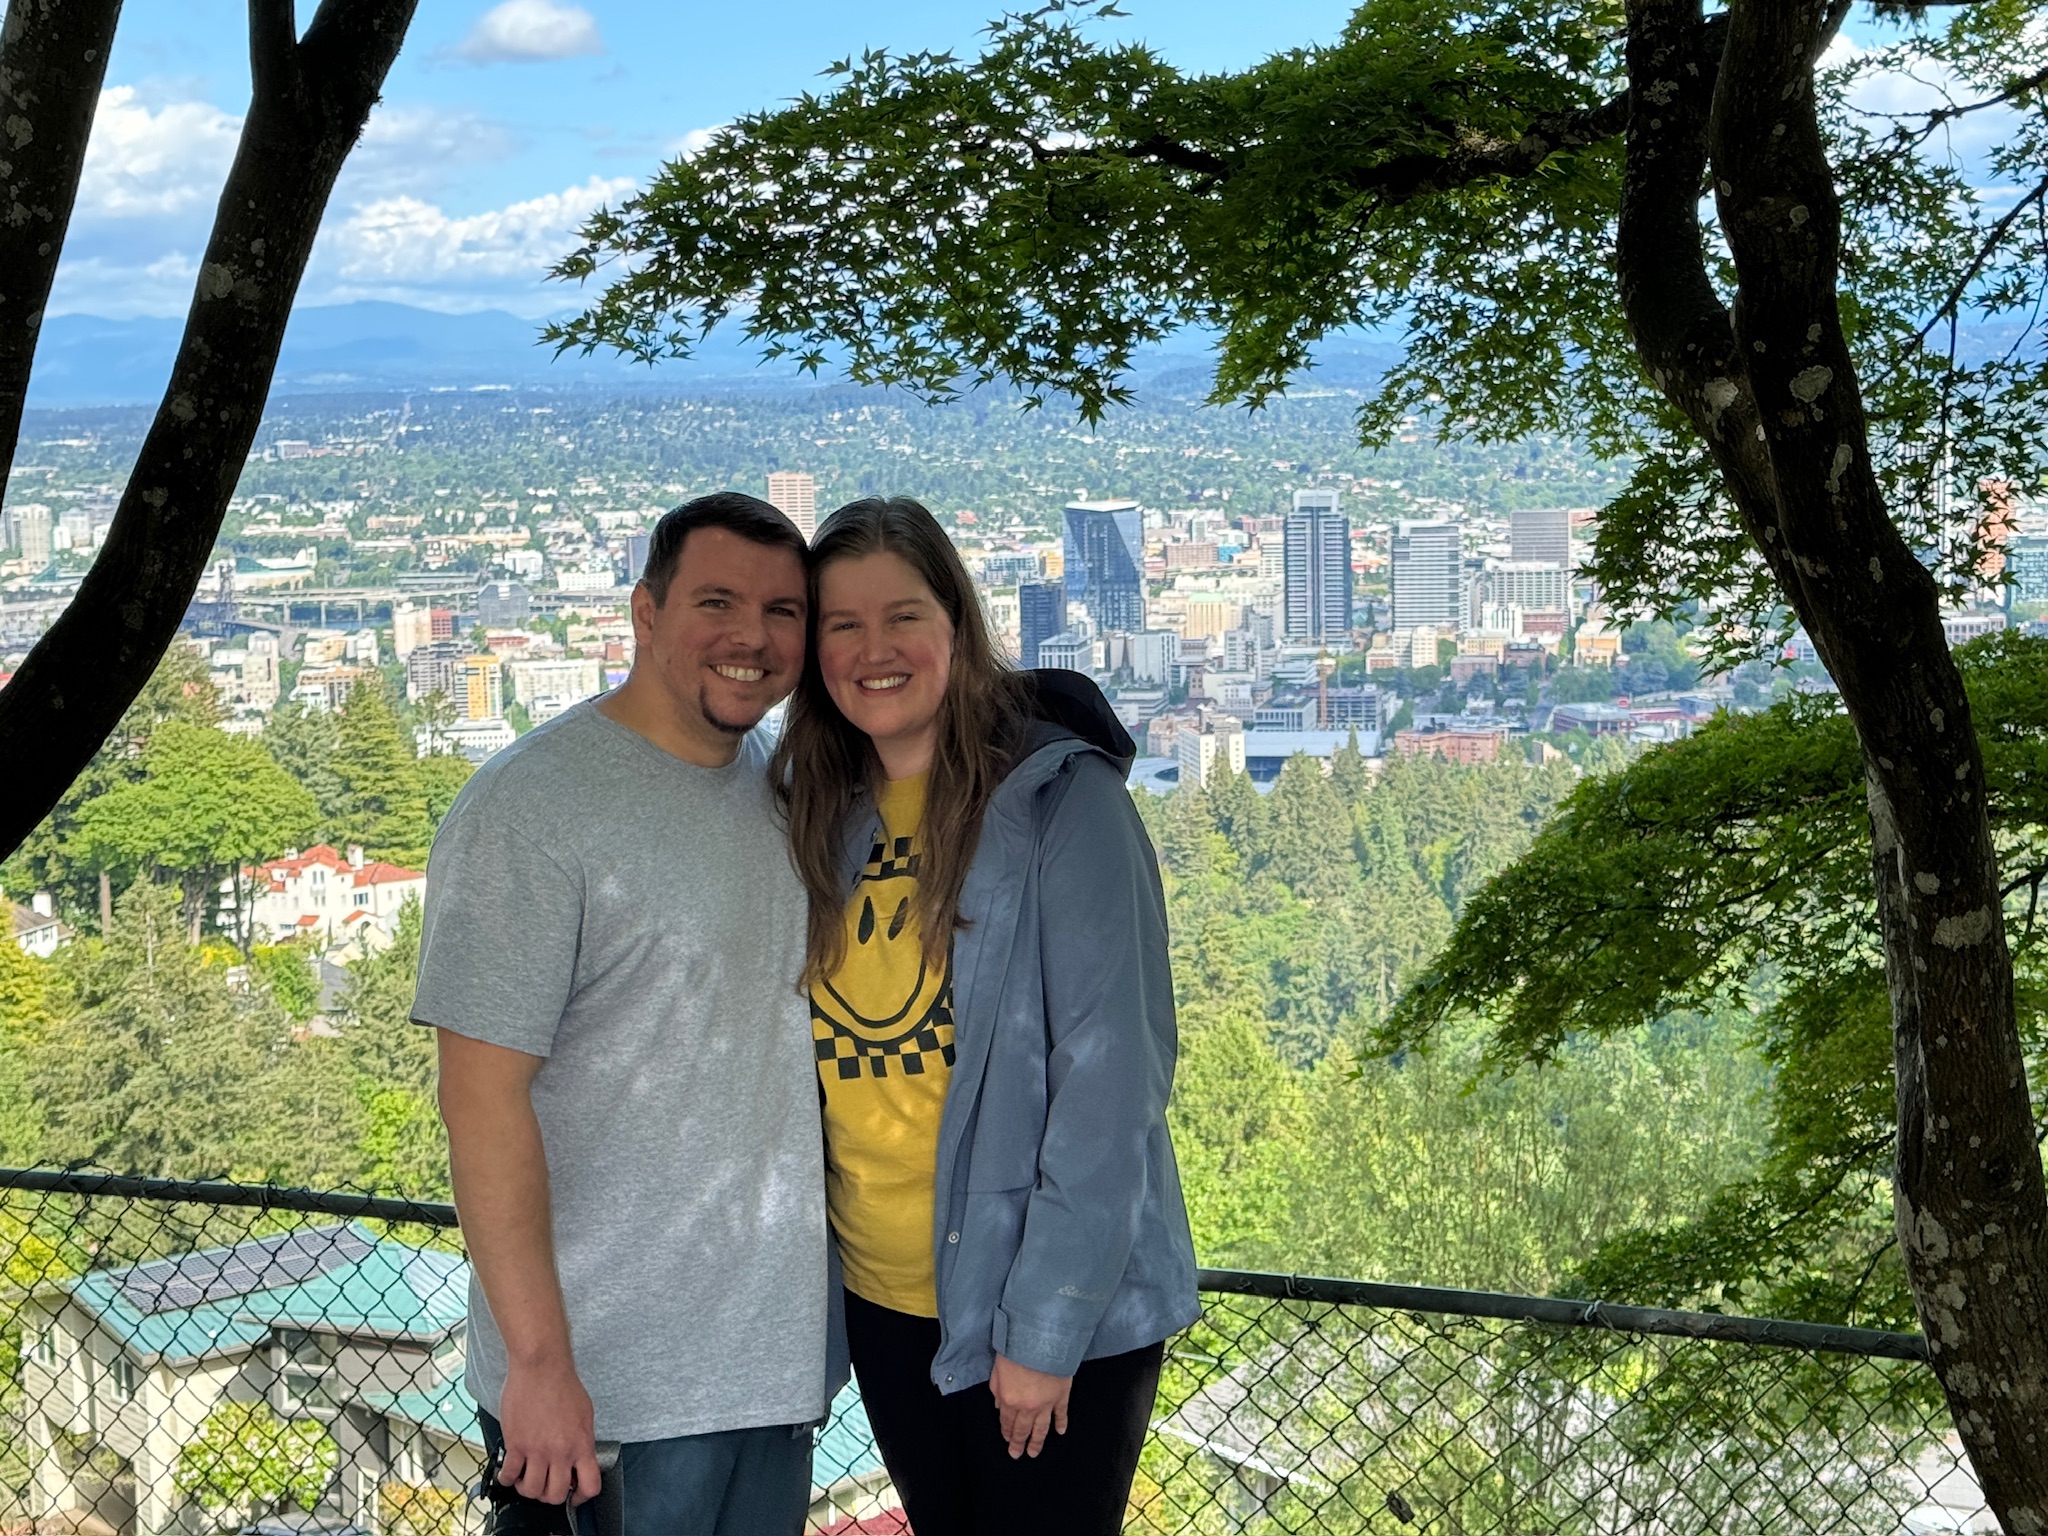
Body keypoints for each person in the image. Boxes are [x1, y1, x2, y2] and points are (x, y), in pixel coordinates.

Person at [774, 495, 1199, 1536]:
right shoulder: (821, 812)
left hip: (1044, 1307)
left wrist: (1042, 1330)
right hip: (886, 1304)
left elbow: (1110, 1090)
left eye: (902, 616)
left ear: (955, 627)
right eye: (842, 624)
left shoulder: (1064, 804)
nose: (874, 650)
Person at [414, 492, 833, 1536]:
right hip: (606, 1401)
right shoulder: (530, 809)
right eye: (717, 602)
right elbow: (479, 1103)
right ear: (644, 614)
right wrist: (538, 1368)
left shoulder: (785, 794)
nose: (752, 637)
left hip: (771, 1381)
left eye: (783, 611)